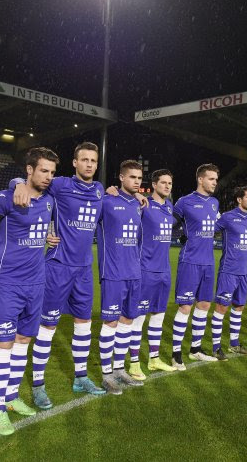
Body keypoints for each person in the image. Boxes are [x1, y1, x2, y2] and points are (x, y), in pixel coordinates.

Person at [9, 142, 145, 408]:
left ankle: (80, 377)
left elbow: (118, 202)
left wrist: (135, 197)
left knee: (83, 325)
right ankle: (38, 385)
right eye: (84, 160)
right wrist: (18, 184)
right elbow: (30, 180)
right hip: (58, 266)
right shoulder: (59, 185)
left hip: (84, 269)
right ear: (75, 163)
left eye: (93, 161)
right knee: (47, 327)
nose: (89, 165)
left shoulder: (98, 190)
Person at [0, 147, 58, 435]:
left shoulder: (49, 201)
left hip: (37, 284)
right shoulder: (6, 196)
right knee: (3, 345)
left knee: (23, 341)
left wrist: (46, 237)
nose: (48, 177)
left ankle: (11, 398)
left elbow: (35, 227)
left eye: (52, 172)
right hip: (7, 284)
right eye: (43, 170)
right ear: (29, 170)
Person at [96, 160, 147, 394]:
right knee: (111, 322)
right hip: (113, 273)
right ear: (121, 178)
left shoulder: (139, 204)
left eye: (139, 178)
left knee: (127, 321)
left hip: (134, 273)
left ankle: (119, 369)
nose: (136, 181)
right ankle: (106, 374)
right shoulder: (107, 201)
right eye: (132, 177)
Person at [170, 163, 221, 369]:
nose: (214, 183)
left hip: (208, 262)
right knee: (185, 306)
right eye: (211, 179)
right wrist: (181, 237)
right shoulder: (184, 202)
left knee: (204, 306)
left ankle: (196, 350)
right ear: (200, 179)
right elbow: (168, 223)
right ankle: (175, 354)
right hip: (190, 261)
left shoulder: (215, 203)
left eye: (216, 180)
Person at [140, 170, 179, 372]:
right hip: (146, 269)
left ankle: (153, 359)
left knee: (158, 315)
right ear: (154, 185)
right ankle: (133, 363)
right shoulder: (144, 205)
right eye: (163, 182)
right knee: (138, 318)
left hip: (164, 270)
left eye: (170, 183)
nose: (167, 186)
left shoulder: (169, 207)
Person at [211, 186, 247, 359]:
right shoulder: (228, 217)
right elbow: (211, 229)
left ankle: (234, 344)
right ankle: (216, 347)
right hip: (228, 270)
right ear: (239, 199)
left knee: (239, 307)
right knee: (222, 307)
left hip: (244, 272)